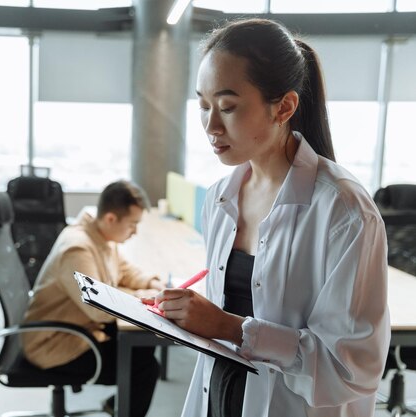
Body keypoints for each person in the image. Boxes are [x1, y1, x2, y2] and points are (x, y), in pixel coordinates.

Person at [145, 18, 391, 417]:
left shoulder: (343, 210)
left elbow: (353, 369)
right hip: (221, 398)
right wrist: (183, 316)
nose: (210, 125)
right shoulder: (221, 197)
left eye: (227, 107)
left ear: (285, 107)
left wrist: (226, 326)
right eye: (204, 106)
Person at [22, 179, 164, 417]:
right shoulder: (78, 249)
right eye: (132, 224)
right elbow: (99, 310)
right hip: (56, 344)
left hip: (79, 328)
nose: (135, 232)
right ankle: (120, 407)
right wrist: (145, 297)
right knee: (144, 367)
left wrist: (152, 282)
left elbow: (123, 269)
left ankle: (117, 405)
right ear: (110, 219)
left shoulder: (101, 235)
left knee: (143, 351)